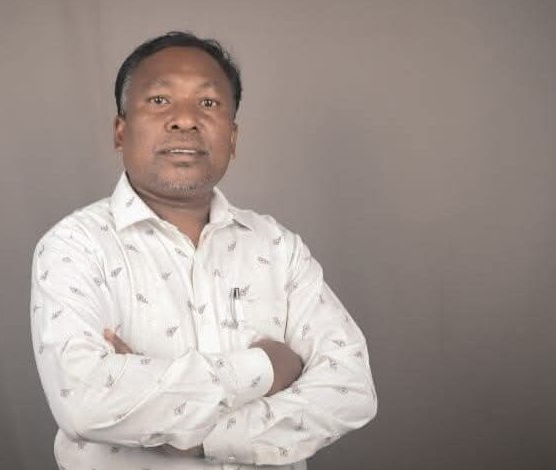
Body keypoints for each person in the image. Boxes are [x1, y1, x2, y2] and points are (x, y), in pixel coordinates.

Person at [30, 31, 377, 470]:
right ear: (120, 131)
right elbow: (85, 403)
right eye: (159, 101)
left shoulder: (277, 247)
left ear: (232, 137)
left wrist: (201, 439)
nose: (185, 120)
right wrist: (268, 368)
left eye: (208, 103)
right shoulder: (75, 246)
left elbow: (351, 389)